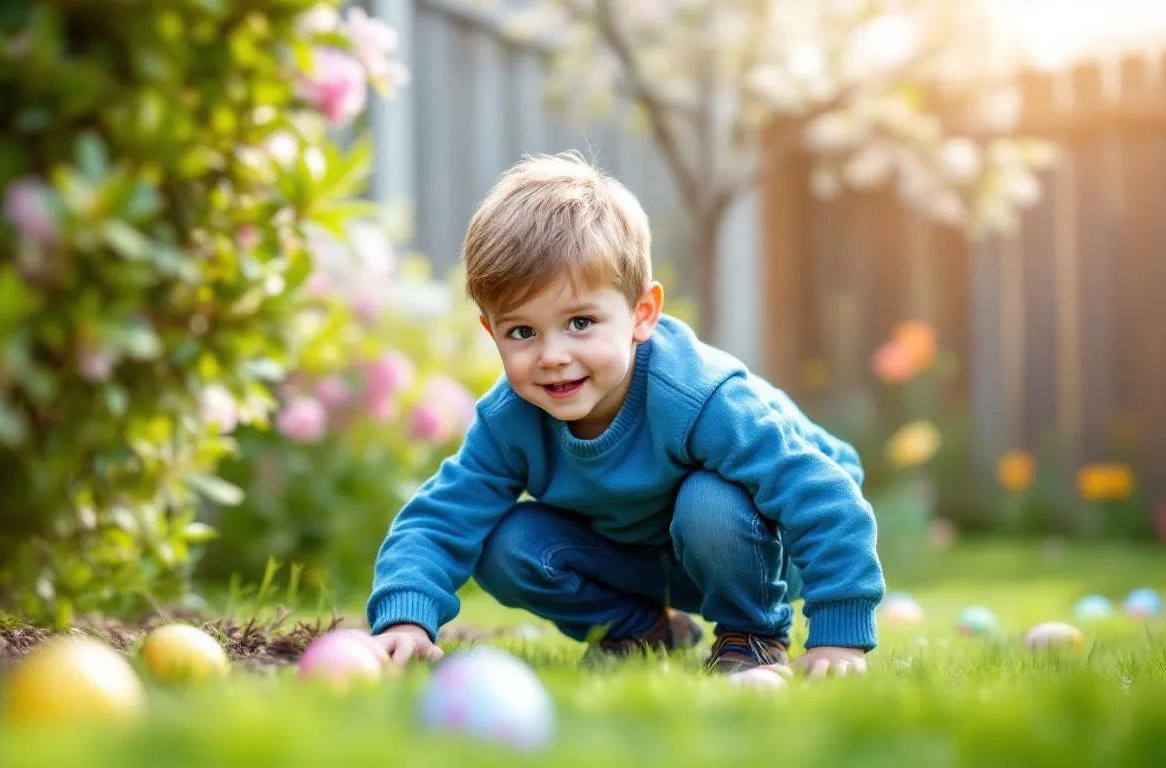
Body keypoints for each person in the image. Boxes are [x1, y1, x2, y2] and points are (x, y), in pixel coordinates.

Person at [365, 151, 884, 677]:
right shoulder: (511, 418)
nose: (551, 356)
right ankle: (640, 630)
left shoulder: (700, 396)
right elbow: (441, 516)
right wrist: (406, 617)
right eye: (522, 331)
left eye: (580, 322)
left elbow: (820, 493)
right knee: (503, 541)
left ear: (643, 315)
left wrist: (840, 634)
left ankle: (751, 632)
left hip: (764, 538)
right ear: (491, 333)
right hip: (644, 556)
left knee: (709, 501)